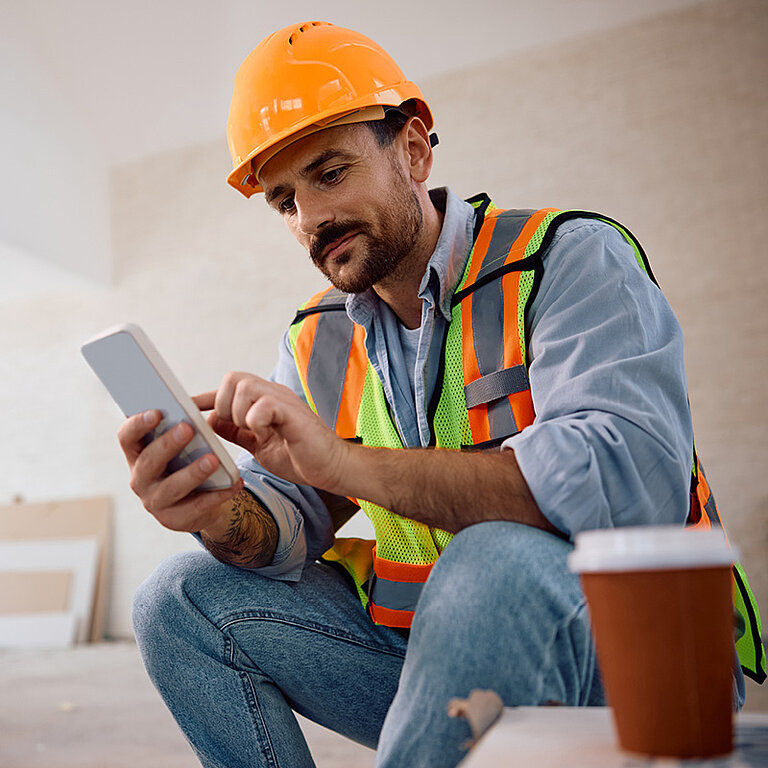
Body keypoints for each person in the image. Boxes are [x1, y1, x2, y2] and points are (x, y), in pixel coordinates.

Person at [123, 21, 761, 768]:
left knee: (489, 558)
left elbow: (628, 485)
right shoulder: (318, 338)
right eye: (284, 201)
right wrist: (217, 514)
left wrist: (345, 465)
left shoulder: (564, 261)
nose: (310, 220)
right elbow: (290, 522)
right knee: (175, 601)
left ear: (416, 147)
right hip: (433, 662)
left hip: (629, 667)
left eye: (329, 174)